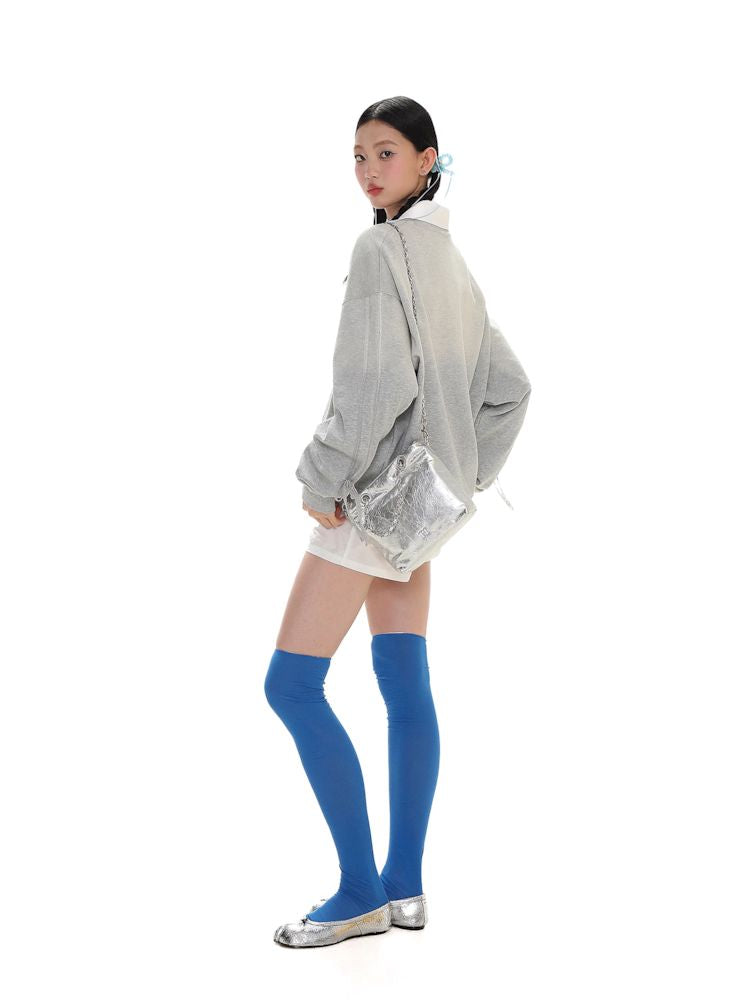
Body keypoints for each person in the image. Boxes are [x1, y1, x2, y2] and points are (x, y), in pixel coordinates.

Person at [265, 96, 532, 948]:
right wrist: (460, 477)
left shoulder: (380, 249)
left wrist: (323, 475)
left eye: (385, 152)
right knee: (404, 685)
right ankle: (405, 886)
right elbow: (509, 390)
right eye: (357, 155)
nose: (368, 170)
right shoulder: (450, 260)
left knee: (290, 685)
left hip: (367, 503)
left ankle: (358, 892)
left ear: (427, 160)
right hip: (419, 515)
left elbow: (375, 386)